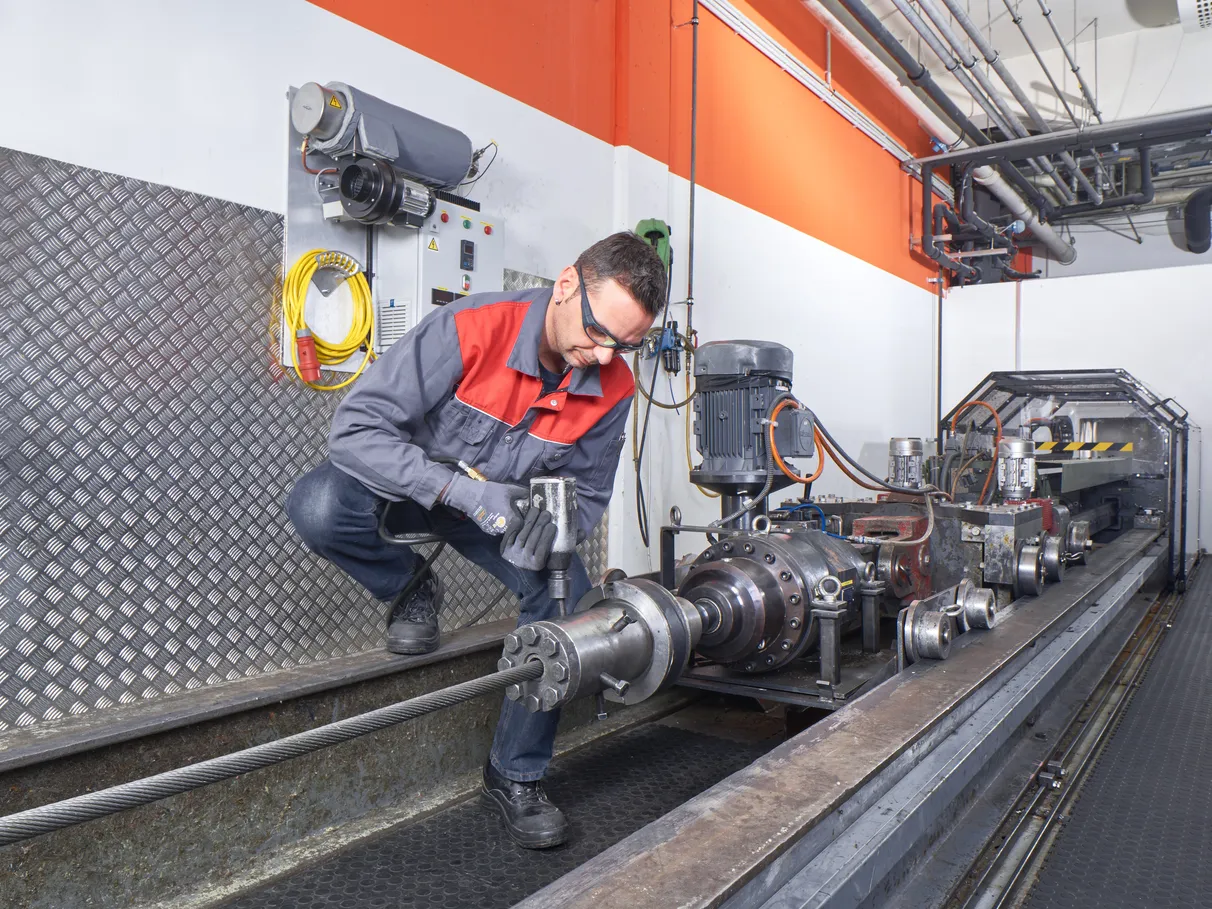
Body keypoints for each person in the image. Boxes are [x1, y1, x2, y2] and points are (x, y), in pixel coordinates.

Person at [285, 231, 665, 848]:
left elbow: (589, 494)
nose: (603, 357)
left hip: (502, 512)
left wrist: (551, 535)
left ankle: (516, 773)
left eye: (625, 345)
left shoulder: (613, 385)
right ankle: (409, 586)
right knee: (319, 506)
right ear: (566, 284)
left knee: (564, 599)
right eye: (597, 333)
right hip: (419, 489)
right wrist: (462, 493)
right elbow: (355, 432)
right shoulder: (470, 327)